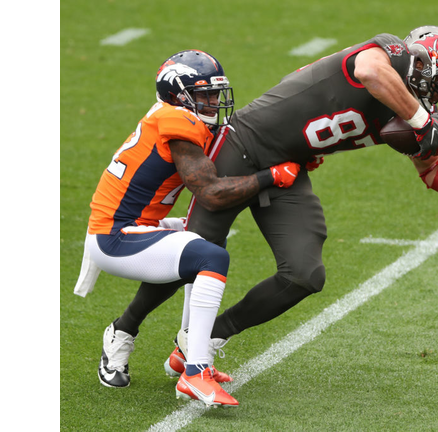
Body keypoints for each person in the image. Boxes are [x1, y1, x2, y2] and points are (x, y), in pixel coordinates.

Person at [111, 26, 438, 382]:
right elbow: (370, 72)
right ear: (424, 65)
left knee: (305, 273)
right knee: (194, 254)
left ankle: (204, 339)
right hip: (243, 145)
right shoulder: (389, 56)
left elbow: (430, 170)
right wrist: (420, 119)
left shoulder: (410, 109)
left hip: (287, 168)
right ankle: (123, 331)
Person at [73, 49, 302, 407]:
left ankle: (147, 337)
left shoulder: (178, 118)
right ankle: (196, 369)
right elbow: (210, 192)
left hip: (137, 224)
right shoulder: (177, 122)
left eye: (215, 93)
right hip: (114, 235)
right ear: (178, 96)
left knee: (204, 241)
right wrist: (270, 176)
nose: (213, 102)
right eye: (204, 95)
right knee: (209, 256)